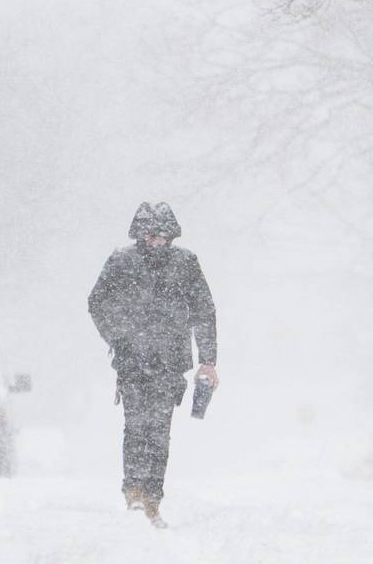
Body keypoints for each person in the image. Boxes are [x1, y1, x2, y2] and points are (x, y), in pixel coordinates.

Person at [87, 201, 217, 528]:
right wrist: (118, 337)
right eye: (150, 234)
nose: (155, 240)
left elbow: (203, 311)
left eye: (161, 235)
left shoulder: (185, 263)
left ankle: (152, 500)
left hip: (170, 363)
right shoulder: (121, 261)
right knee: (135, 426)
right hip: (131, 360)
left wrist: (208, 360)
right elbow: (96, 302)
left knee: (159, 431)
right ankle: (133, 493)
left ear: (171, 235)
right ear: (140, 234)